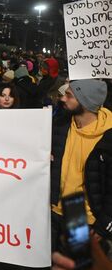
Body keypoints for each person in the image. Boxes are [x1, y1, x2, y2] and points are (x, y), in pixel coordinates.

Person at [51, 80, 112, 253]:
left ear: (85, 102)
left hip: (82, 216)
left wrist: (103, 226)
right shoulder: (60, 125)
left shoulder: (107, 137)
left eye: (69, 95)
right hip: (52, 209)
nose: (63, 98)